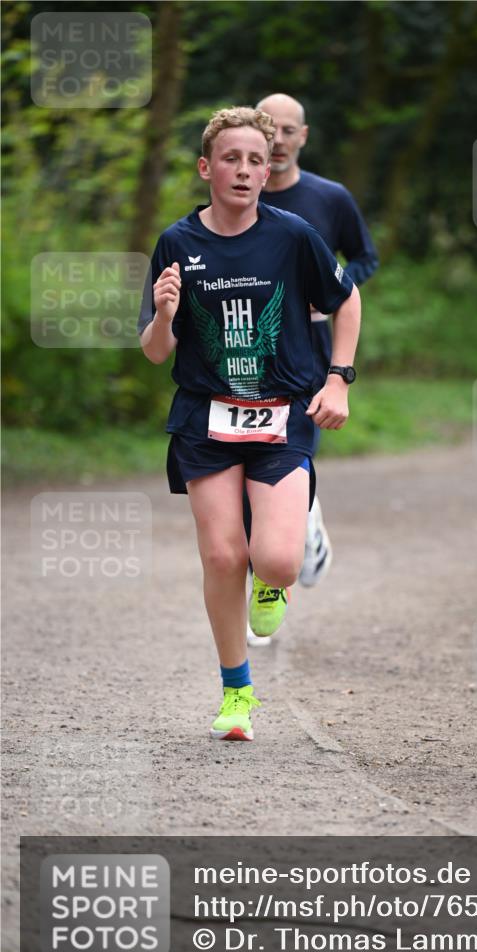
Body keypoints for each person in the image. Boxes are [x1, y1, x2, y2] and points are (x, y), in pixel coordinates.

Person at [138, 107, 361, 741]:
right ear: (207, 167)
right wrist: (162, 314)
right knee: (221, 554)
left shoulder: (292, 236)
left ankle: (278, 581)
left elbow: (348, 302)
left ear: (270, 170)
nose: (243, 170)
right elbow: (157, 352)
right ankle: (237, 693)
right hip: (205, 420)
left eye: (255, 161)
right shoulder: (177, 243)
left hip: (282, 415)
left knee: (279, 561)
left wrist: (339, 378)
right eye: (231, 159)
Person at [256, 92, 378, 593]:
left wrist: (332, 293)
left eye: (289, 130)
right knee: (246, 459)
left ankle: (300, 530)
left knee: (292, 449)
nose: (278, 140)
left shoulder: (330, 198)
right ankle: (280, 552)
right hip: (247, 347)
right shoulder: (238, 193)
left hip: (309, 347)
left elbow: (365, 258)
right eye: (270, 129)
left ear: (303, 136)